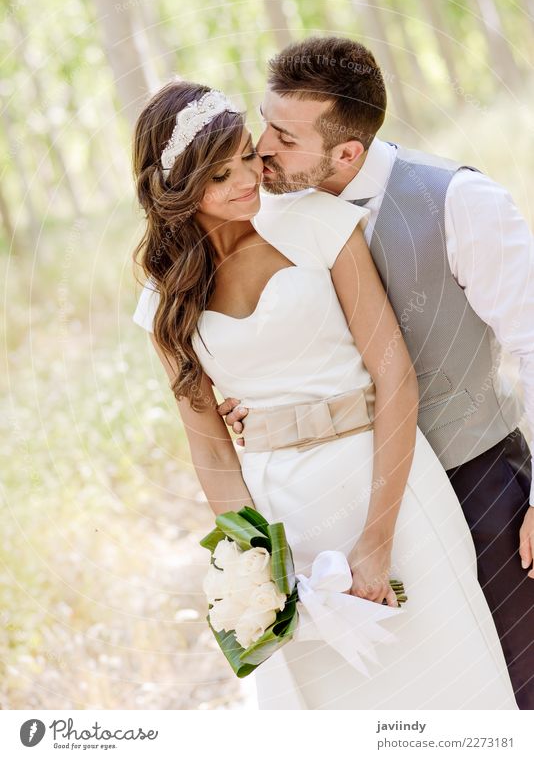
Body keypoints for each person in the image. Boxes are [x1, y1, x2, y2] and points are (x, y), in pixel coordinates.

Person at [131, 79, 516, 709]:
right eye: (220, 175)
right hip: (285, 513)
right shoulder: (166, 302)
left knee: (449, 687)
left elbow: (394, 375)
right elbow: (210, 452)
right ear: (178, 190)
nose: (248, 180)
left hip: (388, 487)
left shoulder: (317, 223)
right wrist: (260, 567)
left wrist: (375, 540)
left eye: (247, 157)